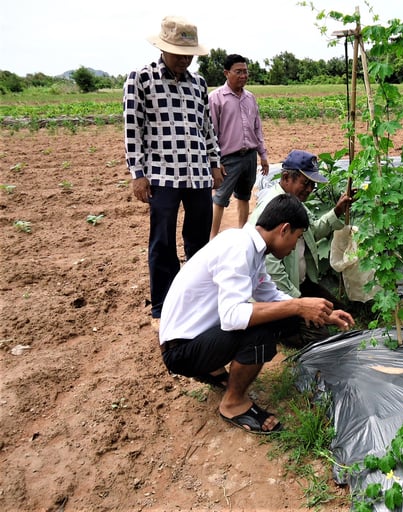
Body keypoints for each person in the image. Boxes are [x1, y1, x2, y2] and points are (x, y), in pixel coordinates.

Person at [159, 194, 355, 434]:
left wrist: (324, 314)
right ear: (284, 229)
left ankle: (212, 368)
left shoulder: (251, 248)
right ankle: (233, 403)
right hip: (180, 351)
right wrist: (298, 306)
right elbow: (232, 316)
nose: (295, 246)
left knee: (280, 314)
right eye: (297, 237)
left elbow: (271, 295)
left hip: (192, 337)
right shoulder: (239, 248)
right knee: (262, 330)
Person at [124, 16, 223, 331]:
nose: (185, 59)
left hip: (197, 175)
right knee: (163, 241)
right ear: (163, 48)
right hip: (162, 176)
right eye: (179, 53)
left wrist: (215, 161)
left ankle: (195, 300)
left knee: (198, 241)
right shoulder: (141, 79)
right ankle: (162, 307)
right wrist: (138, 173)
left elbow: (206, 128)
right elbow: (132, 129)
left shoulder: (199, 84)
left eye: (189, 54)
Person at [249, 150, 353, 346]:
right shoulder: (271, 208)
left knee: (338, 311)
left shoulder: (295, 203)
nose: (310, 189)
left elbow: (311, 232)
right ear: (286, 177)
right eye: (305, 183)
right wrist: (298, 302)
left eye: (312, 184)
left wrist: (337, 211)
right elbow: (272, 269)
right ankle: (283, 332)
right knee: (321, 339)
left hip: (300, 283)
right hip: (282, 292)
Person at [208, 54, 269, 236]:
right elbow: (211, 133)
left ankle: (242, 235)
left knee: (244, 196)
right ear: (227, 73)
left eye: (245, 71)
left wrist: (263, 156)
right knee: (220, 199)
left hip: (249, 155)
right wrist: (215, 162)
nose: (243, 75)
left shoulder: (250, 98)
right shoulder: (216, 98)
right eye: (238, 72)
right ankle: (211, 238)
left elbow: (257, 128)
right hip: (228, 159)